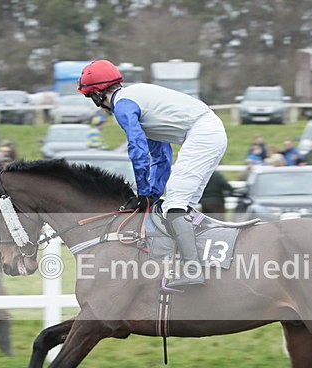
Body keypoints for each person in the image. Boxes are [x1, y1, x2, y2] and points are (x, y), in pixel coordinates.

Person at [77, 59, 228, 288]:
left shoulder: (123, 105)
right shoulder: (137, 100)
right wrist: (152, 195)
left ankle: (193, 269)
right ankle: (192, 260)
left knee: (175, 204)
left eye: (91, 98)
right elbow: (161, 155)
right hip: (209, 132)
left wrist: (144, 191)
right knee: (179, 206)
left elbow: (137, 148)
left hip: (203, 134)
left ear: (97, 95)